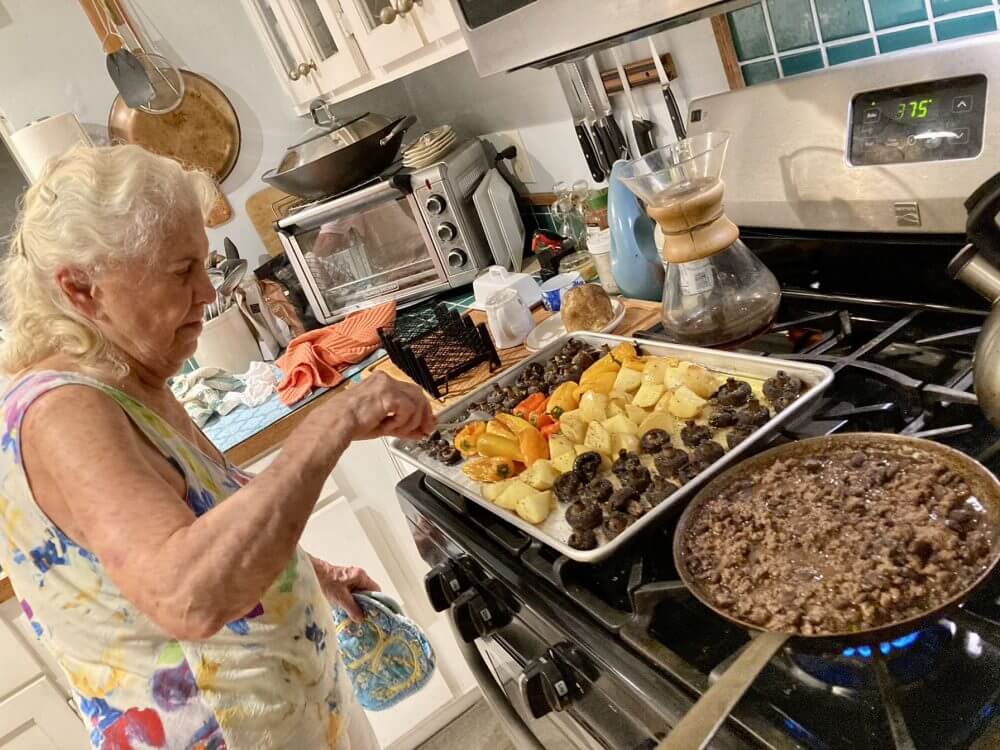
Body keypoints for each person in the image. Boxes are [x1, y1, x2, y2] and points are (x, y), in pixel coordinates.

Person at [0, 144, 435, 749]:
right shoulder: (63, 414)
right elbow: (185, 596)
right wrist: (329, 424)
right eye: (182, 271)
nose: (208, 291)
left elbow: (204, 519)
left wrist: (304, 572)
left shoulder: (129, 380)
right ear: (82, 289)